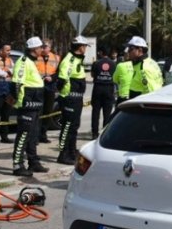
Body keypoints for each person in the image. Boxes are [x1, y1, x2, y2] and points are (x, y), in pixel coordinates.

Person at [11, 37, 49, 176]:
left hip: (35, 105)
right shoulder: (23, 62)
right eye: (40, 47)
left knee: (33, 136)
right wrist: (18, 102)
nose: (42, 49)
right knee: (23, 135)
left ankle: (33, 162)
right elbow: (16, 84)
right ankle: (17, 165)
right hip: (26, 105)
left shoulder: (32, 62)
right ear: (34, 49)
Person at [56, 36, 89, 164]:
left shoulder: (77, 59)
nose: (85, 49)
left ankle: (71, 151)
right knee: (67, 127)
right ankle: (63, 154)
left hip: (77, 99)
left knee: (74, 127)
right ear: (80, 47)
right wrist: (65, 95)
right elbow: (62, 79)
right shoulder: (69, 60)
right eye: (85, 46)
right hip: (69, 99)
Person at [35, 39, 60, 143]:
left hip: (50, 86)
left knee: (48, 111)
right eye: (43, 46)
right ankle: (35, 136)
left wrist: (52, 78)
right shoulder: (36, 57)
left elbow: (59, 72)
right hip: (39, 85)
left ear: (50, 48)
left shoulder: (56, 57)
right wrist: (42, 77)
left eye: (46, 46)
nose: (44, 48)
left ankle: (43, 135)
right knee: (38, 111)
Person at [90, 47, 115, 139]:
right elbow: (115, 76)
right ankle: (104, 133)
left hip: (98, 88)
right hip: (109, 88)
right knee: (107, 113)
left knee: (95, 112)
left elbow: (92, 75)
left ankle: (94, 133)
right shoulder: (113, 64)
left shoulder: (96, 63)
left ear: (101, 52)